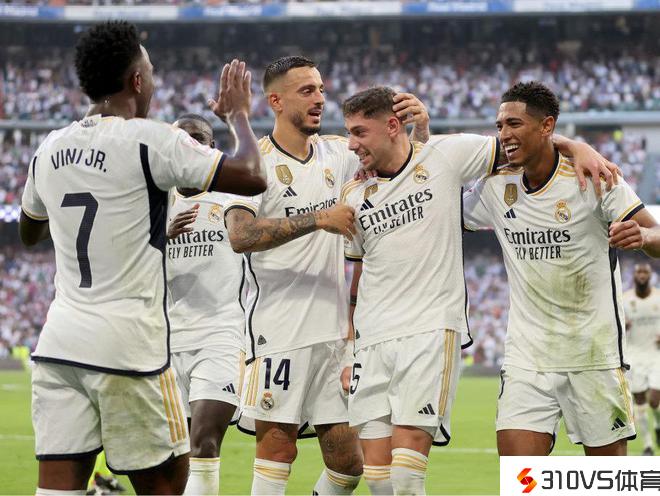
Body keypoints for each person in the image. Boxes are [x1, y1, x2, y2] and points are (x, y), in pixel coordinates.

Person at [19, 21, 265, 495]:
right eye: (150, 72)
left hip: (59, 345)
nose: (152, 82)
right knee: (168, 486)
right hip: (127, 347)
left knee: (57, 488)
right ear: (136, 80)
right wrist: (237, 115)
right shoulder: (151, 140)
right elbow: (253, 175)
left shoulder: (49, 147)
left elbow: (30, 232)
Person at [339, 85, 621, 494]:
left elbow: (524, 142)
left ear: (393, 125)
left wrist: (577, 146)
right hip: (377, 338)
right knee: (379, 478)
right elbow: (360, 270)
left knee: (406, 476)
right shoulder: (354, 191)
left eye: (359, 132)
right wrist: (351, 343)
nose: (351, 144)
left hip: (433, 330)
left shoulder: (448, 155)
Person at [224, 55, 430, 496]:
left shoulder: (338, 152)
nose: (320, 98)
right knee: (278, 450)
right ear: (276, 101)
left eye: (320, 89)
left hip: (334, 336)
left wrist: (420, 130)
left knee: (348, 464)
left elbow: (405, 170)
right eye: (307, 91)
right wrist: (318, 218)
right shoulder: (253, 162)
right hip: (280, 332)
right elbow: (240, 236)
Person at [463, 81, 660, 456]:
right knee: (520, 477)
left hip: (593, 354)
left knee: (608, 478)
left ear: (547, 126)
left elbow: (656, 235)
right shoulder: (495, 186)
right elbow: (441, 211)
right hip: (527, 357)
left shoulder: (595, 178)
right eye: (500, 125)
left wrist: (644, 237)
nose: (504, 134)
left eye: (514, 124)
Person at [166, 113, 249, 494]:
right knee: (174, 455)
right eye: (182, 139)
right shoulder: (153, 202)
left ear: (212, 148)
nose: (190, 145)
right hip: (166, 343)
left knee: (204, 441)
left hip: (220, 335)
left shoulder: (234, 196)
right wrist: (158, 238)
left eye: (198, 138)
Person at [623, 263, 660, 455]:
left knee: (654, 399)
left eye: (646, 272)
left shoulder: (658, 297)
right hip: (634, 354)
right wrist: (623, 326)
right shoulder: (624, 300)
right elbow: (613, 325)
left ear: (650, 275)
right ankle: (647, 445)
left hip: (656, 354)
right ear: (634, 275)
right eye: (639, 272)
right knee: (639, 400)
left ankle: (658, 425)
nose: (642, 275)